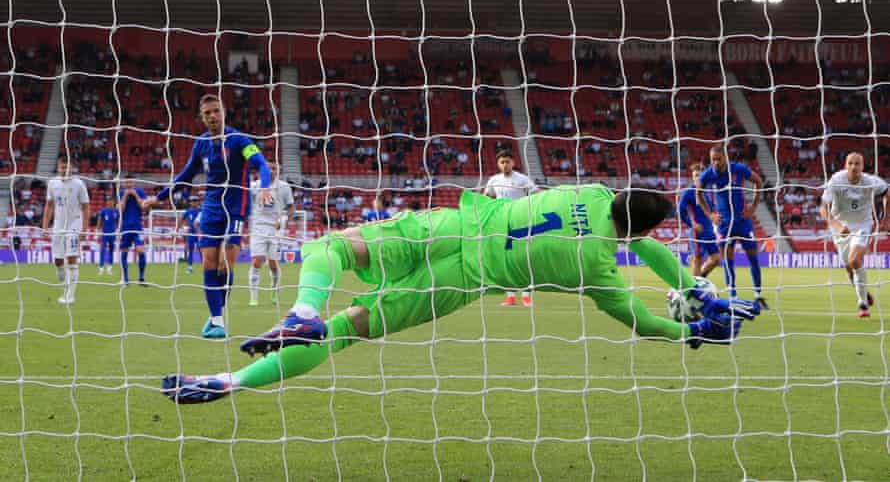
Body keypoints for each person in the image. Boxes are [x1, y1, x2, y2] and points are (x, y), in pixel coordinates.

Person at [161, 184, 761, 403]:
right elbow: (645, 321)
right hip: (458, 282)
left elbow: (643, 236)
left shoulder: (594, 189)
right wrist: (692, 321)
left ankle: (299, 310)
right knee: (347, 331)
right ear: (640, 231)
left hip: (454, 226)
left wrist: (687, 282)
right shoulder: (598, 272)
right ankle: (229, 384)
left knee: (335, 246)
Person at [142, 94, 271, 338]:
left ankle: (218, 314)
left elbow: (261, 164)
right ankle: (217, 320)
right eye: (207, 113)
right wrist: (158, 198)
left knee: (225, 263)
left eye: (216, 111)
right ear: (202, 118)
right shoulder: (200, 144)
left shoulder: (238, 140)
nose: (212, 116)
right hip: (211, 206)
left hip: (235, 206)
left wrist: (264, 186)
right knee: (209, 262)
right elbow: (186, 175)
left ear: (223, 112)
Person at [696, 146, 768, 308]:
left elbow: (758, 181)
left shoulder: (738, 169)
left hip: (743, 222)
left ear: (726, 157)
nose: (715, 162)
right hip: (724, 225)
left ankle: (758, 295)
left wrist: (753, 207)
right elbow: (698, 194)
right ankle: (733, 297)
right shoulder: (708, 174)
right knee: (728, 262)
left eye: (718, 159)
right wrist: (710, 215)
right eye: (713, 159)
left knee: (753, 259)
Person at [820, 152, 889, 318]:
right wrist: (837, 225)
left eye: (857, 163)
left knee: (854, 260)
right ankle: (864, 292)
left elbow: (887, 191)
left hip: (863, 225)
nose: (854, 167)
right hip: (840, 227)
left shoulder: (871, 182)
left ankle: (862, 304)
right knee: (849, 268)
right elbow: (824, 208)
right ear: (845, 165)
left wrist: (885, 218)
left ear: (862, 166)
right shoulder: (836, 180)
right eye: (850, 163)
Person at [483, 149, 538, 307]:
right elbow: (486, 199)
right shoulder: (493, 180)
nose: (505, 164)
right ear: (498, 164)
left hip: (520, 221)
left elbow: (536, 195)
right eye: (502, 162)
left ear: (513, 162)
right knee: (505, 260)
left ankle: (527, 296)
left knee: (523, 258)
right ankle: (511, 296)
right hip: (501, 223)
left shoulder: (523, 179)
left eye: (508, 161)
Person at [42, 159, 89, 304]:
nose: (64, 170)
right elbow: (49, 206)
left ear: (72, 168)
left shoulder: (79, 184)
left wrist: (84, 229)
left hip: (74, 223)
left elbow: (86, 207)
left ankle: (70, 296)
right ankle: (63, 278)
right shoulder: (52, 183)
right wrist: (45, 226)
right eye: (62, 167)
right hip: (58, 225)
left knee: (72, 258)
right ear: (58, 168)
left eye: (67, 167)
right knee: (58, 260)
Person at [248, 162, 294, 307]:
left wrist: (284, 219)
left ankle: (274, 290)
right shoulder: (255, 186)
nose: (271, 171)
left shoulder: (284, 187)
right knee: (257, 261)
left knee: (273, 264)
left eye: (274, 168)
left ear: (278, 171)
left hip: (275, 229)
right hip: (258, 228)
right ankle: (253, 296)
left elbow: (291, 207)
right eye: (268, 168)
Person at [677, 163, 720, 277]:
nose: (697, 178)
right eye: (695, 175)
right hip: (697, 232)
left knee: (716, 259)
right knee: (698, 259)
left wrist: (716, 216)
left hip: (709, 231)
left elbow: (712, 210)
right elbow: (680, 211)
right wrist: (692, 224)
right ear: (692, 177)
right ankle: (696, 290)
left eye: (699, 175)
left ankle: (700, 279)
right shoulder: (689, 192)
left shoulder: (708, 192)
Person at [118, 177, 148, 286]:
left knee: (141, 251)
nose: (128, 184)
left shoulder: (140, 192)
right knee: (124, 252)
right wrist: (125, 196)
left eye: (130, 181)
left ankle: (141, 278)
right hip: (125, 228)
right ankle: (125, 279)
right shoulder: (121, 193)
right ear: (123, 183)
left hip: (137, 227)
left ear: (134, 182)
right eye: (126, 182)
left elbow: (143, 207)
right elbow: (120, 209)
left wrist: (135, 195)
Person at [179, 195, 202, 275]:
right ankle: (189, 268)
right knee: (191, 250)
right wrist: (181, 228)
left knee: (201, 250)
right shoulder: (188, 211)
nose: (193, 202)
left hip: (199, 233)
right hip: (191, 233)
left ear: (198, 202)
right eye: (192, 201)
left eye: (195, 201)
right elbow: (181, 219)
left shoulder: (201, 211)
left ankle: (205, 267)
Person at [97, 196, 118, 275]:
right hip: (105, 233)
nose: (109, 202)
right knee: (103, 250)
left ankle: (109, 268)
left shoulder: (116, 211)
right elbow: (99, 220)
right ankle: (101, 268)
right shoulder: (103, 211)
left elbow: (118, 221)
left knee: (111, 250)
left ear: (113, 202)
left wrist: (117, 230)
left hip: (113, 234)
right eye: (108, 201)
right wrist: (98, 230)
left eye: (111, 201)